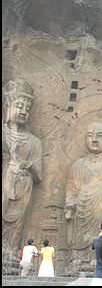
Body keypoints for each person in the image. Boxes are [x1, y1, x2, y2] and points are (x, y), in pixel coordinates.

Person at [65, 122, 102, 264]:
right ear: (85, 139)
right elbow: (71, 190)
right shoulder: (78, 165)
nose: (94, 140)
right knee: (79, 235)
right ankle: (77, 258)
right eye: (90, 136)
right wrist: (69, 207)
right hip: (81, 210)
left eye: (99, 136)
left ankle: (98, 258)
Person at [2, 79, 43, 254]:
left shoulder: (34, 142)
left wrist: (31, 166)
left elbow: (39, 175)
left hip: (24, 185)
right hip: (5, 179)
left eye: (27, 109)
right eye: (19, 106)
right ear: (7, 107)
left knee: (17, 223)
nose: (23, 112)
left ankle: (10, 252)